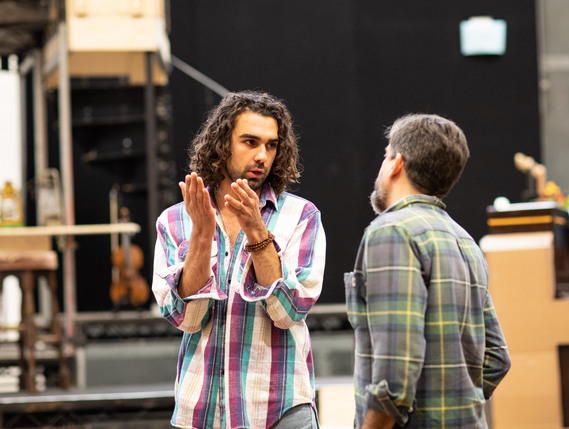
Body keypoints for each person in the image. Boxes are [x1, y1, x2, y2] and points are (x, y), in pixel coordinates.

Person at [152, 91, 326, 428]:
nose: (262, 155)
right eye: (250, 142)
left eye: (271, 145)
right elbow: (188, 317)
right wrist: (202, 234)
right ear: (222, 144)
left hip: (281, 409)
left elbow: (289, 312)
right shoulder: (176, 220)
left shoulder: (301, 216)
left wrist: (256, 231)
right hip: (202, 411)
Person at [344, 113, 511, 428]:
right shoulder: (465, 241)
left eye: (385, 155)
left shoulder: (391, 230)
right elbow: (497, 360)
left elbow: (394, 377)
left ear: (396, 163)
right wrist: (454, 404)